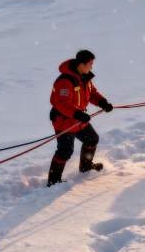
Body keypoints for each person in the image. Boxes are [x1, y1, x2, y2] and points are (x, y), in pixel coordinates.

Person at [47, 49, 114, 186]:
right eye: (90, 63)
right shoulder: (65, 81)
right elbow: (61, 103)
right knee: (65, 151)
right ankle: (53, 181)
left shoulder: (85, 77)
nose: (92, 66)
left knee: (92, 139)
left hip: (79, 119)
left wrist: (103, 103)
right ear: (81, 64)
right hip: (64, 121)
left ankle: (86, 166)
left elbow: (92, 93)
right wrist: (77, 114)